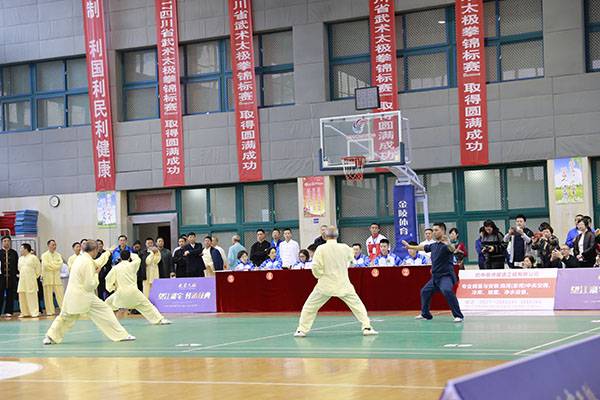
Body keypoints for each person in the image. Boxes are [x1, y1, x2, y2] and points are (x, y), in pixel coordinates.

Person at [43, 240, 135, 345]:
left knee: (65, 317)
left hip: (72, 295)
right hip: (84, 296)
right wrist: (96, 274)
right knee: (105, 311)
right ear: (95, 250)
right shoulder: (87, 262)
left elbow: (97, 263)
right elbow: (89, 285)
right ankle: (121, 335)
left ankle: (50, 337)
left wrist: (108, 253)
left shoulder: (81, 258)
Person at [294, 226, 377, 337]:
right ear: (337, 235)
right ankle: (367, 327)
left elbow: (315, 266)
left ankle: (301, 330)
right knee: (358, 306)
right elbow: (352, 260)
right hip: (343, 284)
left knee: (309, 307)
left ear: (325, 236)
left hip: (324, 285)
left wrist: (319, 276)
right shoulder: (345, 248)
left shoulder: (321, 249)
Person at [402, 222, 464, 322]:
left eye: (436, 230)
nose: (434, 232)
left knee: (447, 290)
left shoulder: (447, 245)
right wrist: (410, 247)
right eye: (433, 230)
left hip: (446, 276)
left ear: (442, 231)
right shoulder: (433, 245)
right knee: (425, 291)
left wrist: (448, 243)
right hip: (435, 277)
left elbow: (452, 249)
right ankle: (425, 314)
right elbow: (422, 247)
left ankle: (458, 315)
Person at [105, 250, 171, 325]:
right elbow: (137, 258)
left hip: (120, 293)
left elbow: (108, 279)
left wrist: (111, 288)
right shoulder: (133, 265)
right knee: (148, 305)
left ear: (120, 257)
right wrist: (130, 254)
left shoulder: (115, 268)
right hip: (134, 292)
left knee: (107, 303)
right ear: (129, 257)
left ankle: (108, 321)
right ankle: (160, 320)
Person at [17, 243, 41, 318]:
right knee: (22, 295)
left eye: (21, 248)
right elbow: (19, 269)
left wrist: (34, 277)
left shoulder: (33, 257)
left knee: (32, 296)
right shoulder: (20, 258)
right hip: (22, 280)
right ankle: (24, 312)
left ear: (26, 249)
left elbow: (38, 269)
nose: (20, 250)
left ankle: (34, 312)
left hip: (31, 280)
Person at [41, 239, 65, 316]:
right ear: (48, 246)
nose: (54, 246)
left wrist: (52, 265)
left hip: (57, 278)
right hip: (47, 278)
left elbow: (60, 265)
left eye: (55, 245)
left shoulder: (58, 255)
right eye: (52, 245)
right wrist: (54, 265)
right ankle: (50, 311)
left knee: (60, 294)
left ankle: (63, 309)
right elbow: (45, 265)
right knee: (48, 296)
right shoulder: (44, 255)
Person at [0, 235, 19, 317]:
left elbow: (17, 264)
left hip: (11, 277)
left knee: (10, 295)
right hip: (1, 278)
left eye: (8, 241)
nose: (6, 243)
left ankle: (9, 311)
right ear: (2, 243)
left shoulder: (14, 253)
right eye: (5, 241)